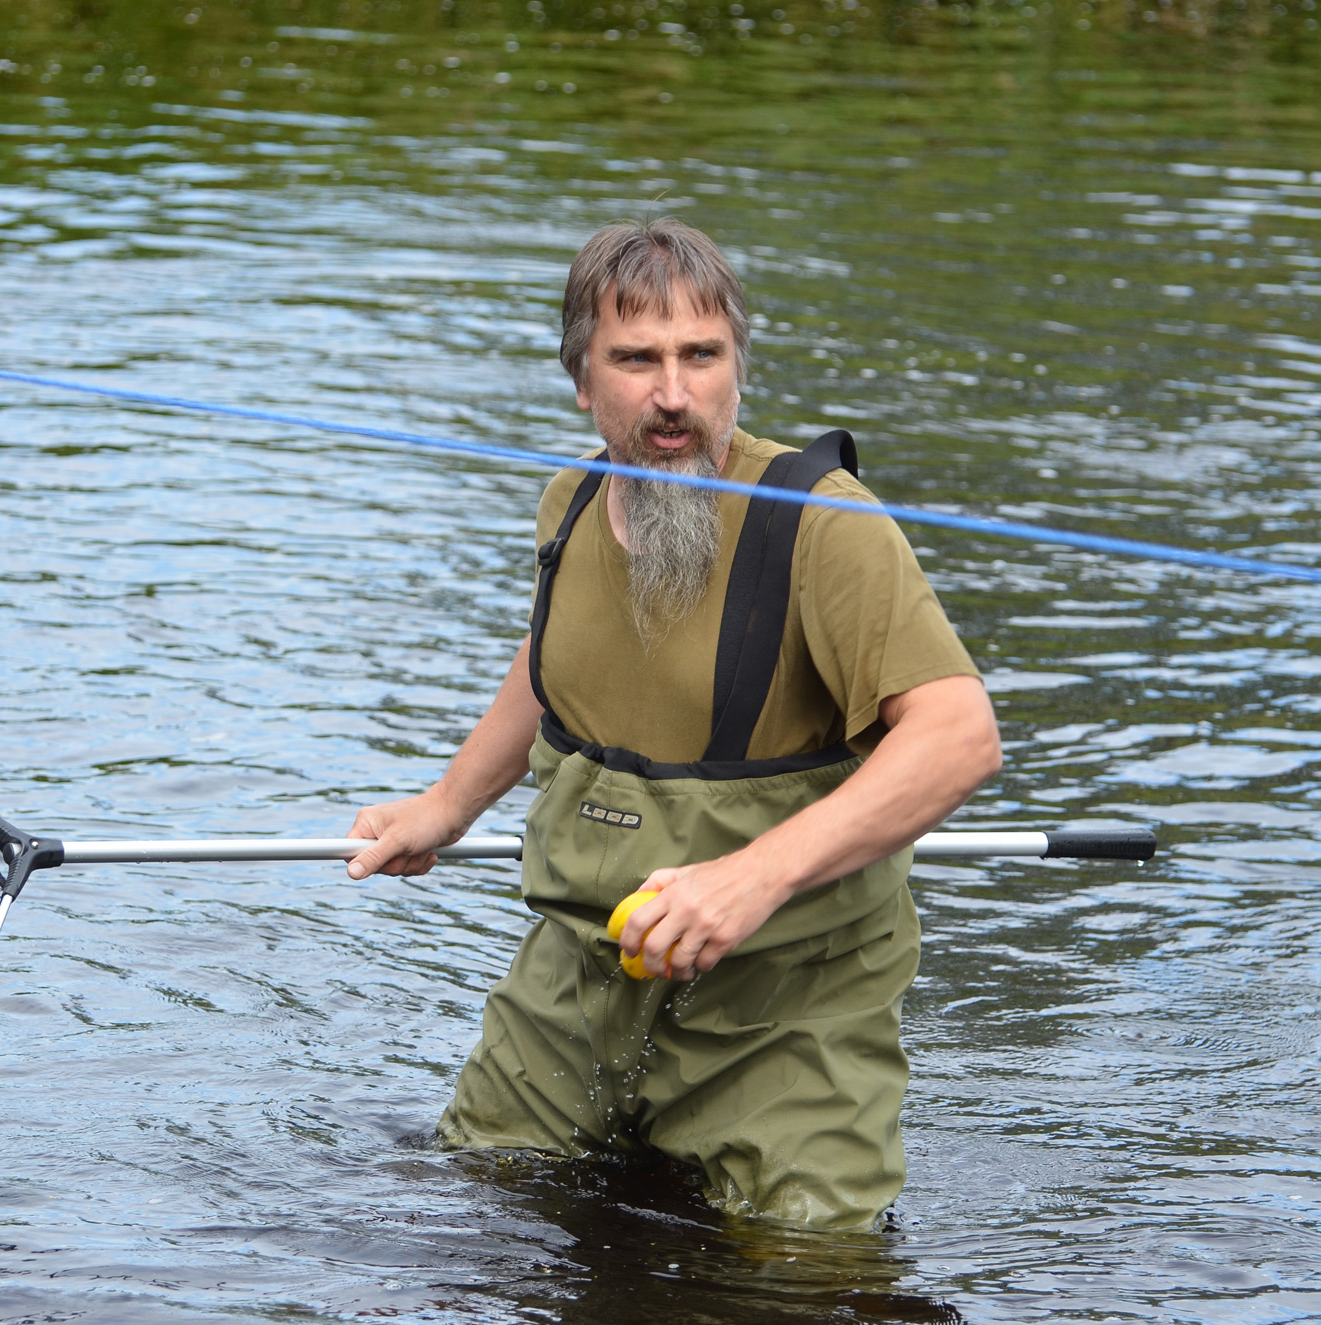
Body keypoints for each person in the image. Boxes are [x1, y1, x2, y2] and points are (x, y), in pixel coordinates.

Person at [344, 217, 1001, 1230]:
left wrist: (751, 876)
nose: (671, 393)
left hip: (785, 998)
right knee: (472, 1211)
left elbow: (958, 736)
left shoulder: (825, 523)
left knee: (807, 1277)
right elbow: (552, 658)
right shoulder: (568, 502)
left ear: (737, 366)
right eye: (635, 359)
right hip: (582, 965)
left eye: (701, 355)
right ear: (580, 381)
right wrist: (448, 802)